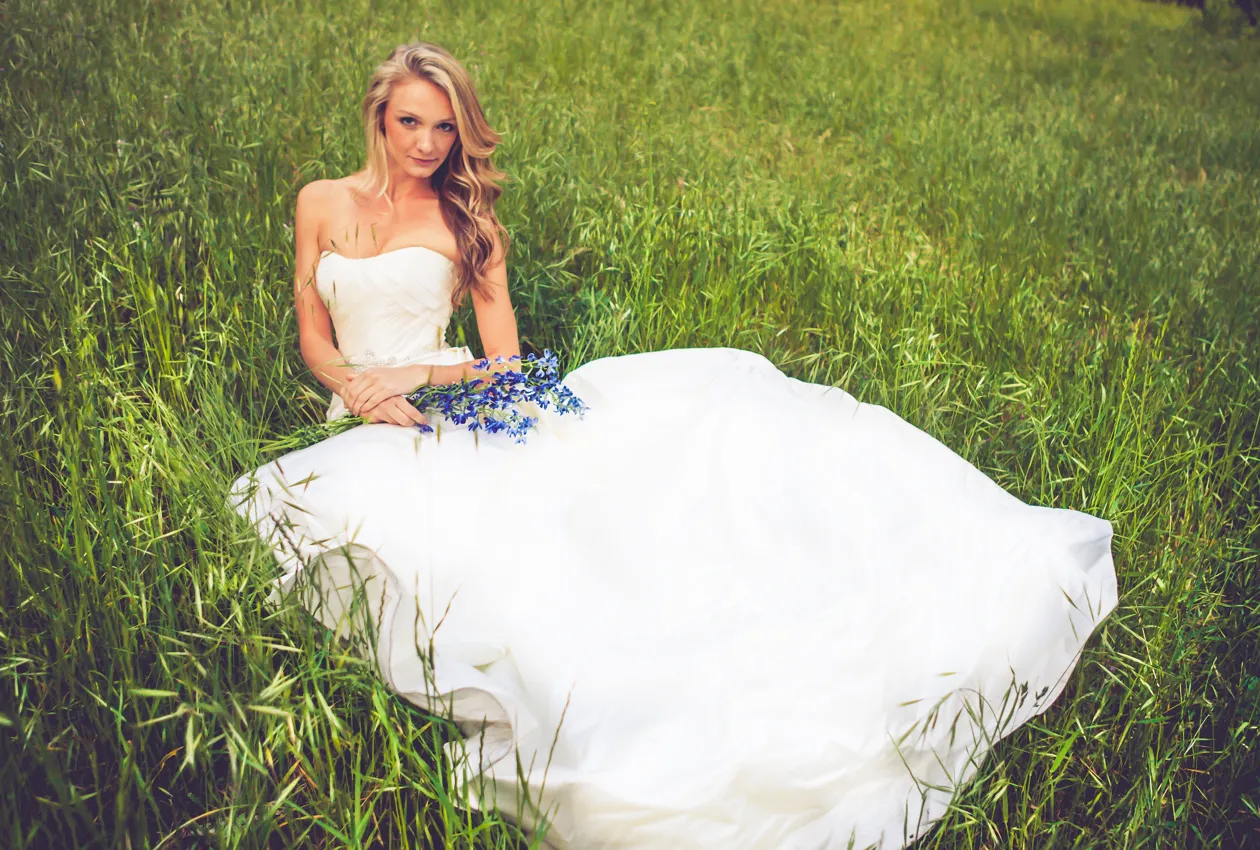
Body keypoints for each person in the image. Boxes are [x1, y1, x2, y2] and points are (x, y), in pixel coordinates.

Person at [229, 41, 1119, 850]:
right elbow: (315, 335)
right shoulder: (319, 202)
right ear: (379, 119)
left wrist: (415, 384)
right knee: (297, 514)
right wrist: (356, 387)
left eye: (442, 126)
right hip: (362, 411)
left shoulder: (470, 221)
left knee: (568, 559)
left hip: (453, 407)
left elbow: (505, 366)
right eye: (409, 122)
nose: (425, 143)